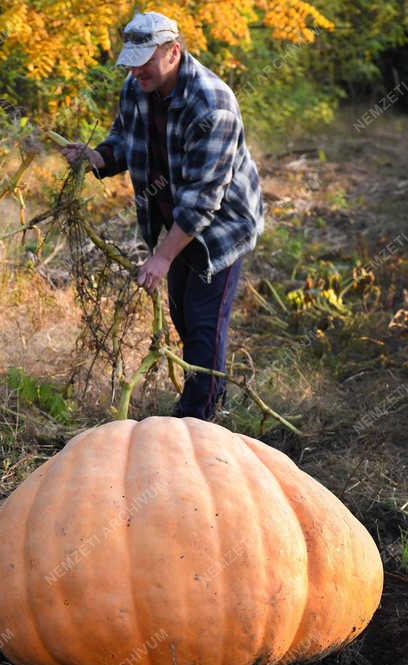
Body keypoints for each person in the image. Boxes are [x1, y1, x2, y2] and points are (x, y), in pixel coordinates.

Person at [60, 11, 264, 421]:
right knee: (182, 315)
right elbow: (123, 139)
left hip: (220, 226)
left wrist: (163, 256)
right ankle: (208, 394)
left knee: (204, 321)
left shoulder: (212, 104)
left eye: (145, 59)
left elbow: (204, 200)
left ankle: (198, 420)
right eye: (131, 60)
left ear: (173, 52)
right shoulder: (137, 86)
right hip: (173, 221)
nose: (136, 70)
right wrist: (97, 157)